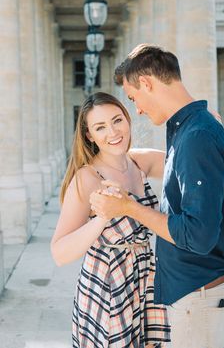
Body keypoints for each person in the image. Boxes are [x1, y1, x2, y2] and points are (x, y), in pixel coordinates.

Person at [89, 44, 224, 348]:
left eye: (133, 98)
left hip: (200, 297)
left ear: (146, 83)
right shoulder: (189, 128)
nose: (138, 109)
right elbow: (151, 161)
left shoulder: (197, 135)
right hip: (194, 294)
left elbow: (198, 236)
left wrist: (128, 207)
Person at [50, 92, 171, 348]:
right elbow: (59, 253)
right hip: (107, 285)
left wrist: (203, 122)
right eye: (100, 127)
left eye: (117, 120)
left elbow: (184, 156)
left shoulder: (139, 161)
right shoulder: (87, 178)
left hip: (145, 276)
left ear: (127, 120)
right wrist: (102, 218)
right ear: (89, 136)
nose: (113, 132)